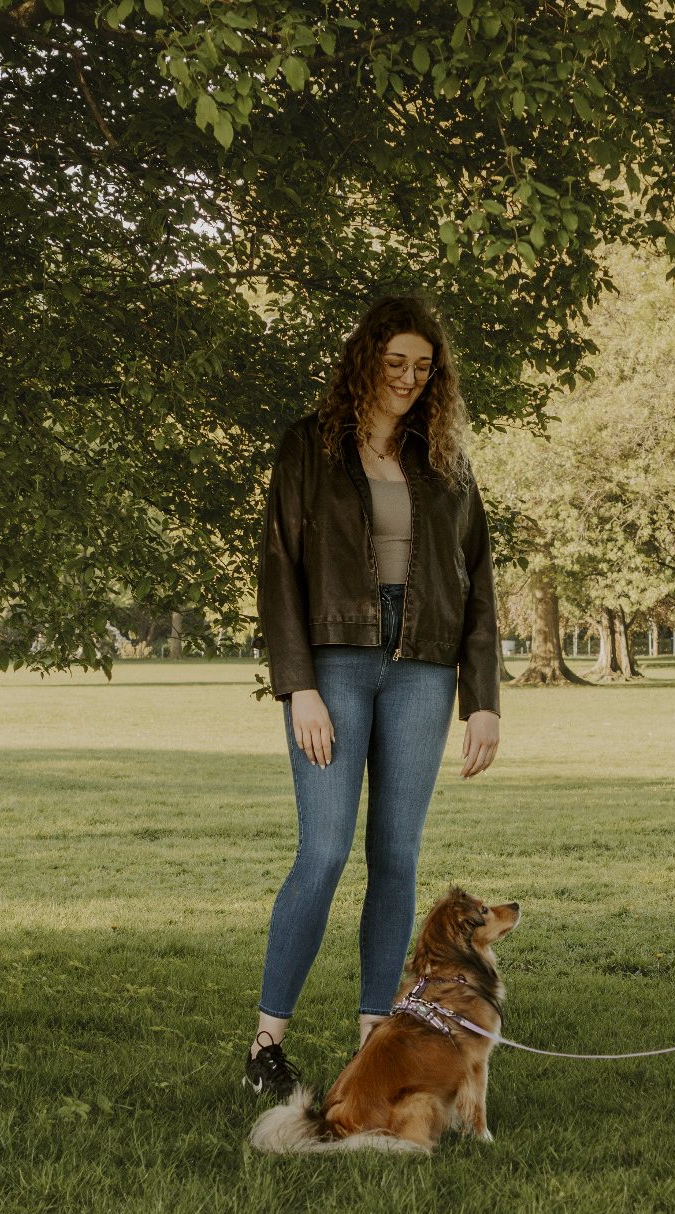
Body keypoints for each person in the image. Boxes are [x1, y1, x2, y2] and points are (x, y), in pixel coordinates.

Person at [245, 294, 502, 1098]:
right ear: (366, 359)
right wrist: (299, 687)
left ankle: (373, 1041)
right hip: (336, 662)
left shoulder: (446, 462)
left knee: (396, 858)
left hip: (423, 666)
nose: (408, 379)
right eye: (395, 362)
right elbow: (279, 566)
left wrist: (482, 698)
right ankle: (265, 1046)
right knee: (322, 853)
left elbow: (480, 582)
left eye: (423, 368)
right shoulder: (309, 447)